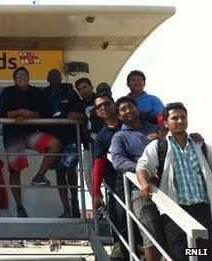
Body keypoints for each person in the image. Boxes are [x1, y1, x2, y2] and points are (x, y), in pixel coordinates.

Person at [137, 102, 212, 260]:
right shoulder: (158, 146)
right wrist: (144, 182)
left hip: (202, 209)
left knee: (205, 254)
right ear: (166, 122)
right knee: (180, 254)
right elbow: (143, 166)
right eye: (175, 118)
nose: (179, 121)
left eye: (183, 117)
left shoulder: (200, 146)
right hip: (175, 210)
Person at [0, 66, 61, 217]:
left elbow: (42, 113)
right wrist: (21, 113)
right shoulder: (7, 91)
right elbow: (5, 112)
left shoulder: (36, 92)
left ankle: (39, 175)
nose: (22, 78)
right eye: (18, 76)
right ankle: (20, 207)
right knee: (15, 170)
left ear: (29, 77)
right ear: (14, 80)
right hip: (13, 134)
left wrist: (27, 114)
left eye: (24, 75)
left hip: (31, 133)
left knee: (55, 144)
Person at [110, 96, 162, 261]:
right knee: (151, 237)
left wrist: (195, 137)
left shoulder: (156, 129)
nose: (128, 111)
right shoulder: (119, 136)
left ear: (137, 109)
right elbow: (118, 161)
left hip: (167, 185)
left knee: (177, 236)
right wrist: (143, 171)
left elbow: (176, 142)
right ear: (119, 116)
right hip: (140, 189)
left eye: (130, 107)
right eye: (123, 110)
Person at [42, 69, 84, 218]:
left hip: (70, 136)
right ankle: (66, 209)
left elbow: (79, 108)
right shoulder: (44, 94)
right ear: (47, 79)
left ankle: (75, 203)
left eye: (57, 75)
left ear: (61, 78)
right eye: (52, 75)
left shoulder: (69, 90)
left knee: (70, 169)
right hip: (54, 138)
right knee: (59, 172)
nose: (55, 78)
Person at [90, 93, 126, 259]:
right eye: (99, 106)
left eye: (106, 104)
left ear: (114, 105)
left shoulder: (130, 123)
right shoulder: (101, 136)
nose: (103, 108)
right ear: (97, 113)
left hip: (140, 182)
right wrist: (96, 192)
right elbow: (98, 164)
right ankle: (122, 249)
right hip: (115, 182)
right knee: (117, 216)